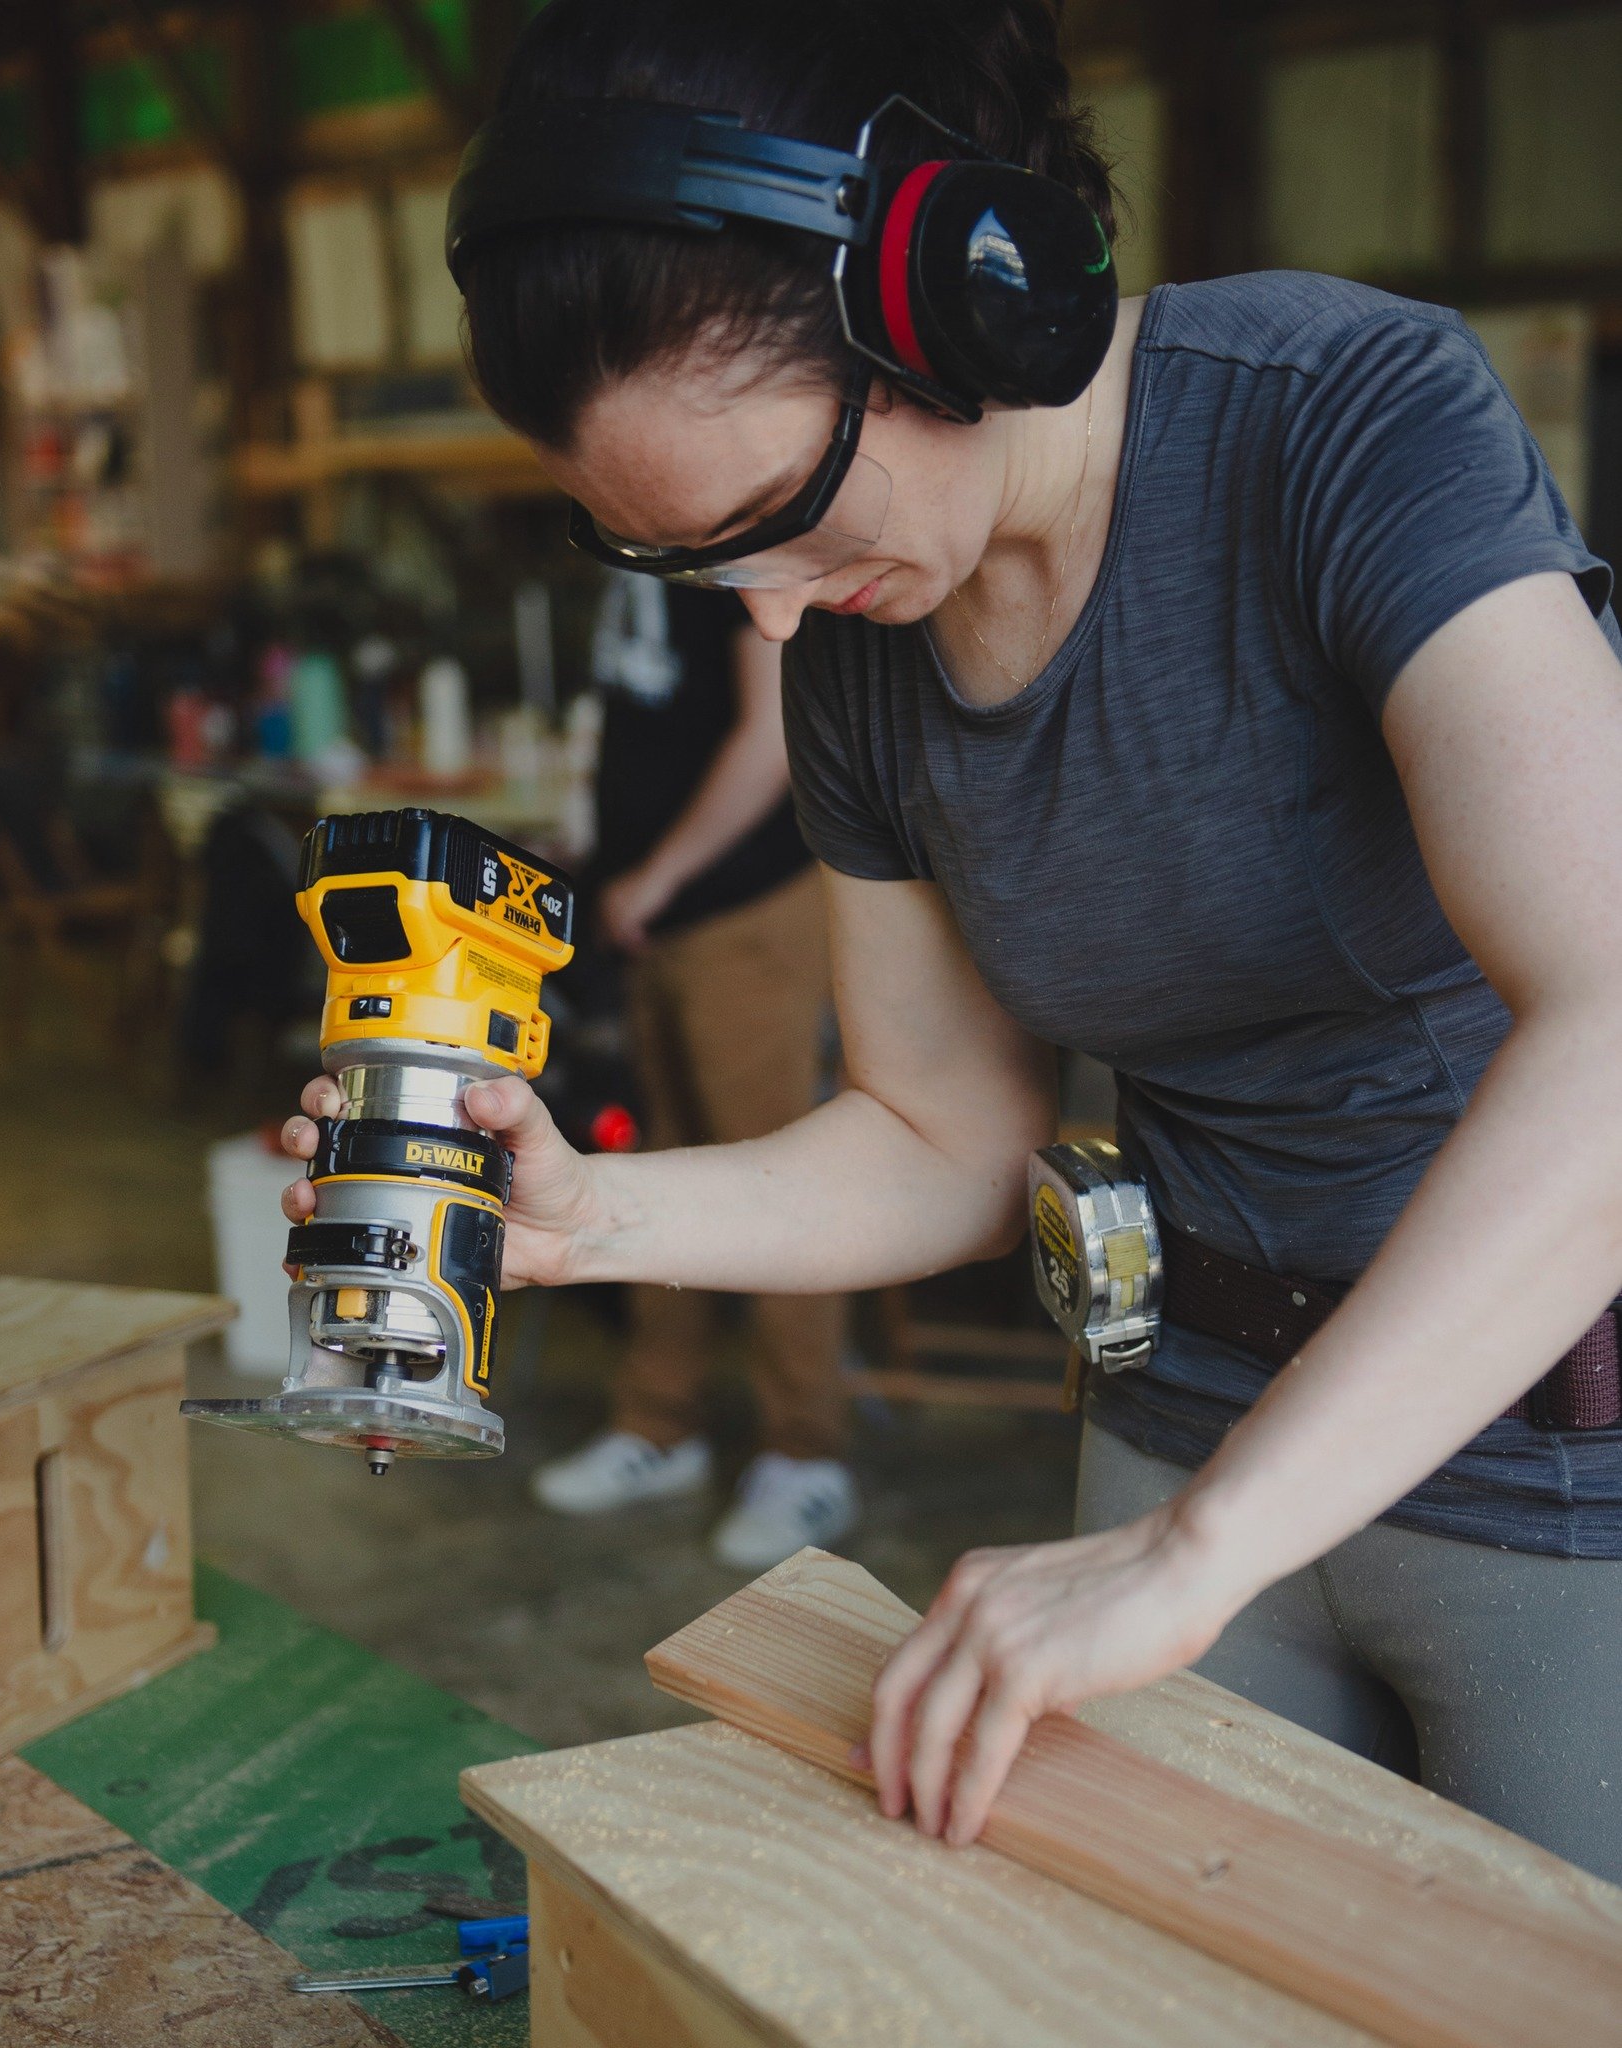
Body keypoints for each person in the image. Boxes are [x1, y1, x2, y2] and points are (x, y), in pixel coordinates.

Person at [280, 0, 1622, 1882]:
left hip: (1561, 1459)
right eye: (688, 561)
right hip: (1182, 1411)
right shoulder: (855, 644)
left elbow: (1607, 1022)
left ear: (969, 300)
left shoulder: (1338, 415)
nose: (763, 622)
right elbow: (937, 1135)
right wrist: (591, 1220)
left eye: (777, 518)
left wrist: (1192, 1554)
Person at [532, 570, 854, 1568]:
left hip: (742, 906)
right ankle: (658, 1423)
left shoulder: (732, 537)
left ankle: (807, 1456)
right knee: (657, 1165)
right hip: (657, 918)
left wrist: (660, 870)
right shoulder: (630, 533)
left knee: (779, 1177)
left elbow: (772, 736)